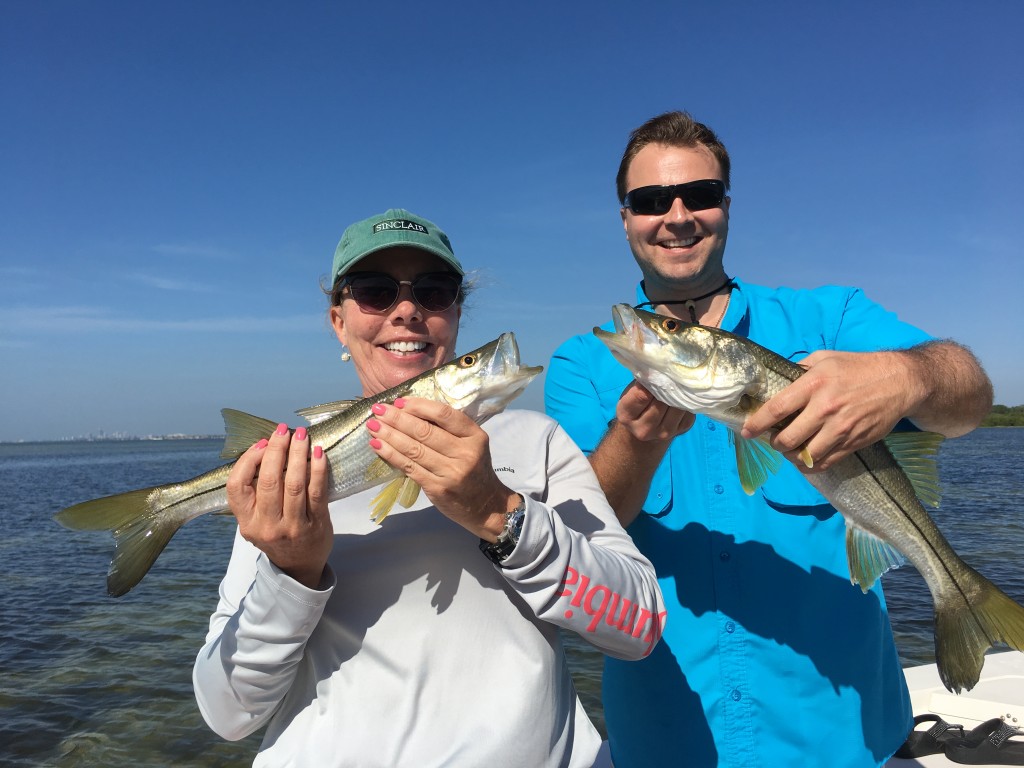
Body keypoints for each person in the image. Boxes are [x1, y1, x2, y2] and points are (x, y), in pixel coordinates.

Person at [544, 112, 994, 768]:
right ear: (625, 218)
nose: (677, 215)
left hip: (846, 739)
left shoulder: (831, 318)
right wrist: (634, 442)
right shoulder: (581, 364)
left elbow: (970, 397)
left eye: (699, 195)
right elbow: (578, 537)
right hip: (667, 744)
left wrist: (908, 375)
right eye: (650, 201)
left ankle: (963, 593)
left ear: (725, 206)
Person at [192, 208, 666, 768]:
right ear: (338, 322)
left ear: (457, 313)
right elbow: (229, 714)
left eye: (435, 292)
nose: (408, 311)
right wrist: (290, 574)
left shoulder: (535, 441)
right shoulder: (287, 474)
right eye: (373, 291)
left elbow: (638, 625)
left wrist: (501, 516)